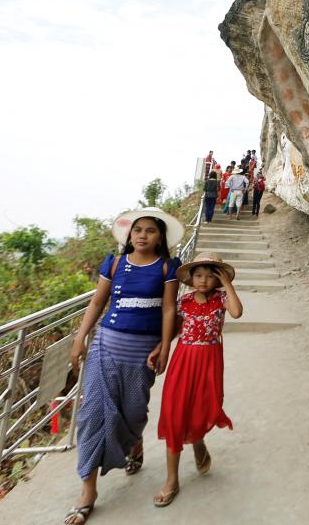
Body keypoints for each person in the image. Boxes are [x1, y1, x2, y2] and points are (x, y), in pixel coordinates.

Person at [64, 208, 184, 525]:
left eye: (150, 231)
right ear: (129, 235)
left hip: (142, 352)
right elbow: (97, 302)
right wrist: (80, 337)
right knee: (92, 415)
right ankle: (88, 491)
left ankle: (135, 443)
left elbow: (169, 309)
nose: (142, 235)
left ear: (160, 238)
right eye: (137, 230)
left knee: (133, 411)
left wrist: (165, 346)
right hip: (105, 346)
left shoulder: (167, 267)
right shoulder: (115, 263)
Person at [153, 253, 243, 507]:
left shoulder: (222, 299)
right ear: (191, 279)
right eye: (198, 275)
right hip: (183, 359)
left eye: (210, 276)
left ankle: (197, 439)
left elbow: (237, 312)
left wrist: (227, 285)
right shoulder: (183, 301)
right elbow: (173, 331)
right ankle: (172, 480)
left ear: (218, 279)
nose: (203, 280)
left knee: (203, 407)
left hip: (209, 361)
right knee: (174, 412)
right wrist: (160, 348)